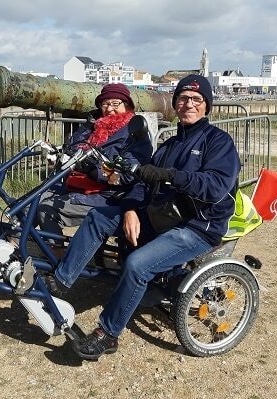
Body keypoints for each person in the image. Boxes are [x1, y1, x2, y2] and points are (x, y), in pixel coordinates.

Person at [45, 74, 241, 360]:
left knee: (138, 265)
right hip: (161, 215)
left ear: (207, 106)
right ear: (175, 104)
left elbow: (215, 186)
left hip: (198, 226)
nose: (189, 104)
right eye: (183, 99)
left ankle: (108, 334)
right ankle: (63, 280)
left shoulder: (219, 143)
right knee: (100, 217)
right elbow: (140, 182)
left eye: (197, 100)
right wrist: (130, 210)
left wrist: (171, 176)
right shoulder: (168, 146)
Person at [36, 83, 152, 243]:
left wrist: (94, 170)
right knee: (32, 200)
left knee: (46, 208)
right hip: (77, 184)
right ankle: (10, 245)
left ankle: (57, 253)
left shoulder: (135, 132)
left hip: (107, 194)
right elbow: (71, 147)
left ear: (127, 105)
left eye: (115, 103)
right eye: (105, 104)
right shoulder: (92, 125)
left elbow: (128, 174)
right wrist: (57, 153)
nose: (110, 108)